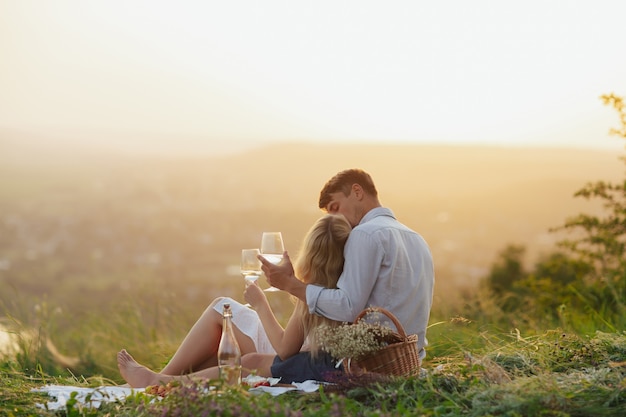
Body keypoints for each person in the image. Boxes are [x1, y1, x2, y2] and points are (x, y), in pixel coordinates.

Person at [117, 213, 352, 387]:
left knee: (221, 308)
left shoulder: (313, 293)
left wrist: (260, 304)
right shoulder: (350, 286)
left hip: (291, 354)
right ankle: (161, 381)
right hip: (302, 351)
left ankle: (157, 381)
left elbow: (284, 349)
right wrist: (291, 283)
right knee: (220, 331)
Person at [259, 168, 435, 361]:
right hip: (409, 359)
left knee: (255, 361)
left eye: (335, 207)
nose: (334, 218)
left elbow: (349, 306)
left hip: (372, 362)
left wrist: (291, 284)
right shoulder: (417, 239)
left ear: (357, 192)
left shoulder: (365, 234)